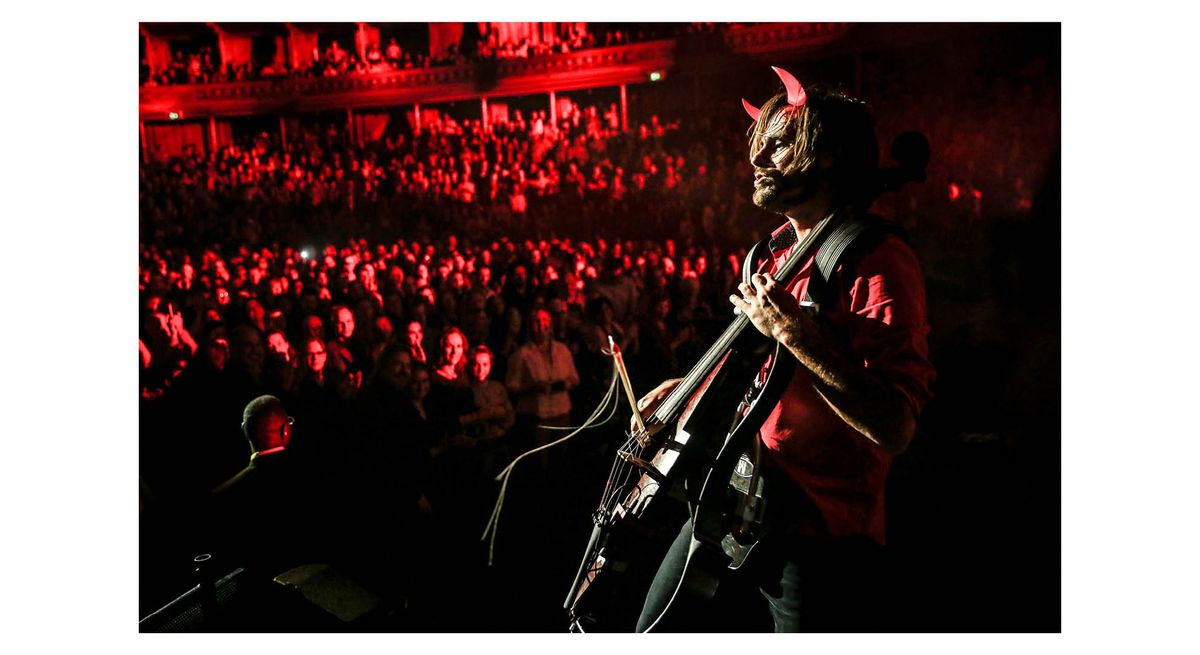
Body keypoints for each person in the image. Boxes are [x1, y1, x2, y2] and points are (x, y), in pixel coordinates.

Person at [631, 68, 935, 633]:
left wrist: (797, 335)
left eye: (779, 142)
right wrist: (689, 391)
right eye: (759, 142)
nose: (759, 157)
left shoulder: (878, 258)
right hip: (731, 504)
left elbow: (894, 425)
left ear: (827, 157)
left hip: (817, 537)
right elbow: (759, 375)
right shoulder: (768, 254)